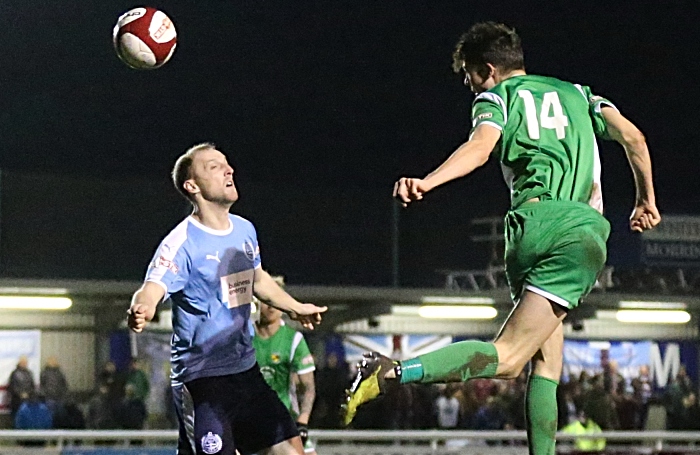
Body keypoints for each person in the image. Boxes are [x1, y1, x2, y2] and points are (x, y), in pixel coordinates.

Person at [343, 21, 660, 455]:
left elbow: (480, 148)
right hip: (575, 231)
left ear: (487, 69)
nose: (470, 87)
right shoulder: (581, 95)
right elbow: (634, 137)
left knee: (546, 362)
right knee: (509, 356)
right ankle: (394, 371)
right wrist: (646, 200)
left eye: (469, 76)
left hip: (528, 229)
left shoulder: (496, 98)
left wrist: (429, 181)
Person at [127, 143, 327, 455]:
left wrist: (296, 307)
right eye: (214, 166)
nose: (228, 170)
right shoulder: (182, 242)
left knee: (289, 451)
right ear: (192, 186)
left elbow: (258, 279)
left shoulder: (245, 230)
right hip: (203, 380)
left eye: (227, 164)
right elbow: (153, 284)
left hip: (246, 372)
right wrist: (144, 305)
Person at [253, 279, 318, 455]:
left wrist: (303, 422)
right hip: (251, 420)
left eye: (275, 302)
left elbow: (308, 387)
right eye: (267, 301)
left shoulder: (293, 339)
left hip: (286, 419)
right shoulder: (245, 337)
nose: (271, 307)